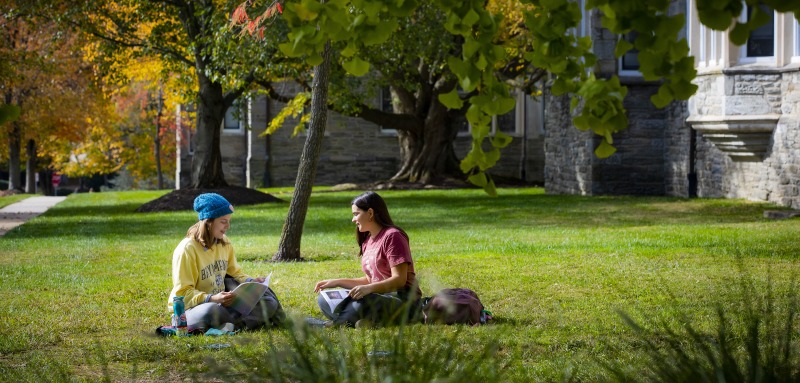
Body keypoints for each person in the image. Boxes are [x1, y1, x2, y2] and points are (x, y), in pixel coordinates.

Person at [167, 193, 285, 331]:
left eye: (229, 221)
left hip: (224, 304)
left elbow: (235, 272)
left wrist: (252, 281)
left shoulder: (224, 242)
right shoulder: (187, 249)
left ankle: (232, 325)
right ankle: (245, 323)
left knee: (268, 299)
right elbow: (182, 294)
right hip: (194, 308)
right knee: (211, 311)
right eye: (223, 221)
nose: (228, 226)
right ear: (208, 222)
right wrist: (212, 298)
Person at [314, 191, 422, 327]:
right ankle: (366, 321)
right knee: (325, 299)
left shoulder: (393, 236)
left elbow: (399, 280)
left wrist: (368, 289)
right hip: (377, 296)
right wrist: (337, 282)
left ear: (370, 213)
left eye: (356, 214)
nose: (353, 220)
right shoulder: (367, 241)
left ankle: (334, 324)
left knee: (365, 301)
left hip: (402, 300)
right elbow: (370, 280)